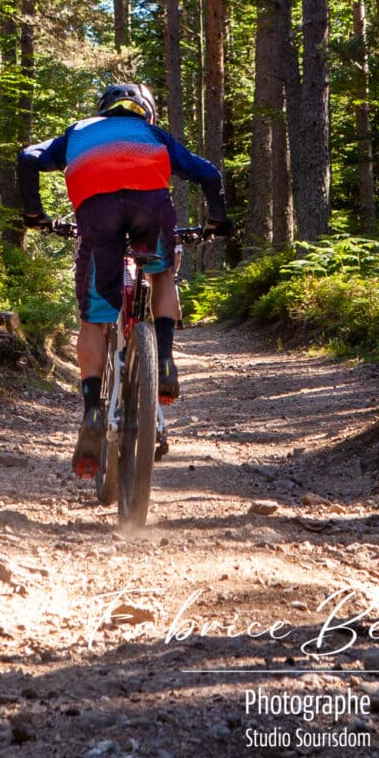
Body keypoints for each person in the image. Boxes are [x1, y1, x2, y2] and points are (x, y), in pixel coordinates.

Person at [17, 82, 229, 478]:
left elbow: (28, 158)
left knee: (94, 319)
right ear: (144, 112)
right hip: (151, 207)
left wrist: (34, 215)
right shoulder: (152, 134)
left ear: (104, 110)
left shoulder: (79, 131)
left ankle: (93, 412)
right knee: (163, 273)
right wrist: (217, 220)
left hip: (96, 214)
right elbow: (208, 174)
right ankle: (163, 361)